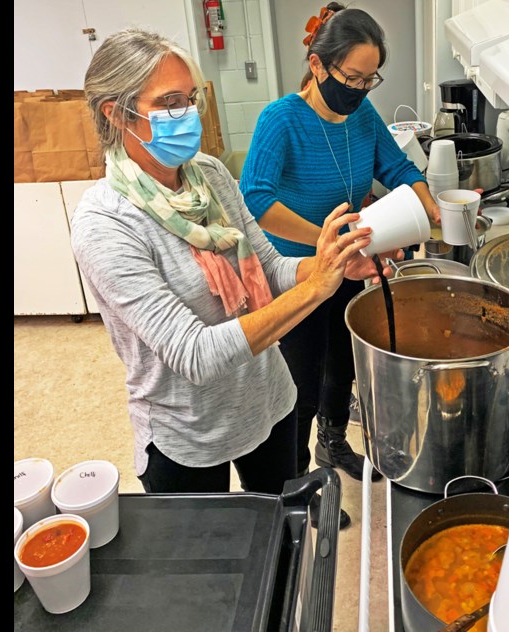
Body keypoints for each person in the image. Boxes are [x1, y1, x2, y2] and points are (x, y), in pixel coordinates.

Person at [69, 28, 396, 529]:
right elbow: (195, 355)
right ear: (116, 112)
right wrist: (316, 288)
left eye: (192, 99)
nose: (189, 115)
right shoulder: (106, 225)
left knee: (281, 534)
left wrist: (328, 262)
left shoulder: (209, 176)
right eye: (170, 103)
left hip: (268, 399)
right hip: (191, 433)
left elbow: (270, 266)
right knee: (216, 571)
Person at [239, 4, 442, 490]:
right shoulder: (280, 120)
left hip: (348, 263)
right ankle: (295, 480)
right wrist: (327, 242)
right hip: (299, 269)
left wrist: (431, 208)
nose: (359, 90)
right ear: (318, 66)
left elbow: (397, 169)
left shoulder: (363, 116)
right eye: (352, 77)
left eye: (370, 79)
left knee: (344, 362)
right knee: (301, 382)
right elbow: (256, 197)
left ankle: (332, 442)